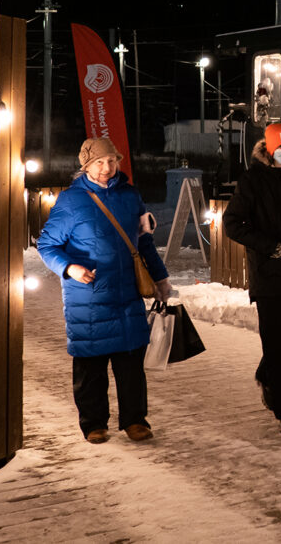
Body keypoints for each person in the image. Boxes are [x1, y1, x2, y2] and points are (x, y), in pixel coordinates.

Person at [37, 137, 172, 444]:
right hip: (89, 297)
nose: (107, 167)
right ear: (86, 165)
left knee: (131, 363)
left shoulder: (130, 196)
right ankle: (93, 422)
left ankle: (135, 420)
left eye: (112, 160)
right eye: (100, 162)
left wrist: (161, 279)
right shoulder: (72, 200)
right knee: (91, 364)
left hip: (128, 293)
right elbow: (47, 244)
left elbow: (144, 242)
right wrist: (70, 268)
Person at [223, 123, 281, 435]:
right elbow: (232, 223)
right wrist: (267, 246)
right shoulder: (252, 181)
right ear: (268, 149)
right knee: (280, 345)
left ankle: (267, 373)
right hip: (269, 276)